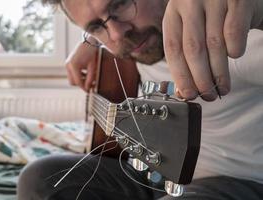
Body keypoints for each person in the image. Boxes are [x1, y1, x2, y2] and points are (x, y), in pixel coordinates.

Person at [17, 0, 263, 199]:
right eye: (95, 26)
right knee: (40, 179)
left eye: (120, 4)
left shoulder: (235, 38)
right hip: (155, 174)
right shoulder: (130, 38)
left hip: (235, 181)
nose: (116, 34)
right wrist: (89, 41)